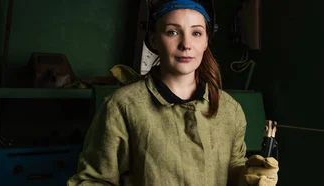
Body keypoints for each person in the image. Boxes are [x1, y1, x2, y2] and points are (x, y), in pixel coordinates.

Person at [66, 0, 279, 185]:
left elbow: (232, 172)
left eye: (196, 33)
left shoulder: (229, 110)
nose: (186, 44)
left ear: (206, 42)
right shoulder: (122, 106)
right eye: (173, 32)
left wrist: (250, 177)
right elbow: (93, 180)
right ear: (153, 40)